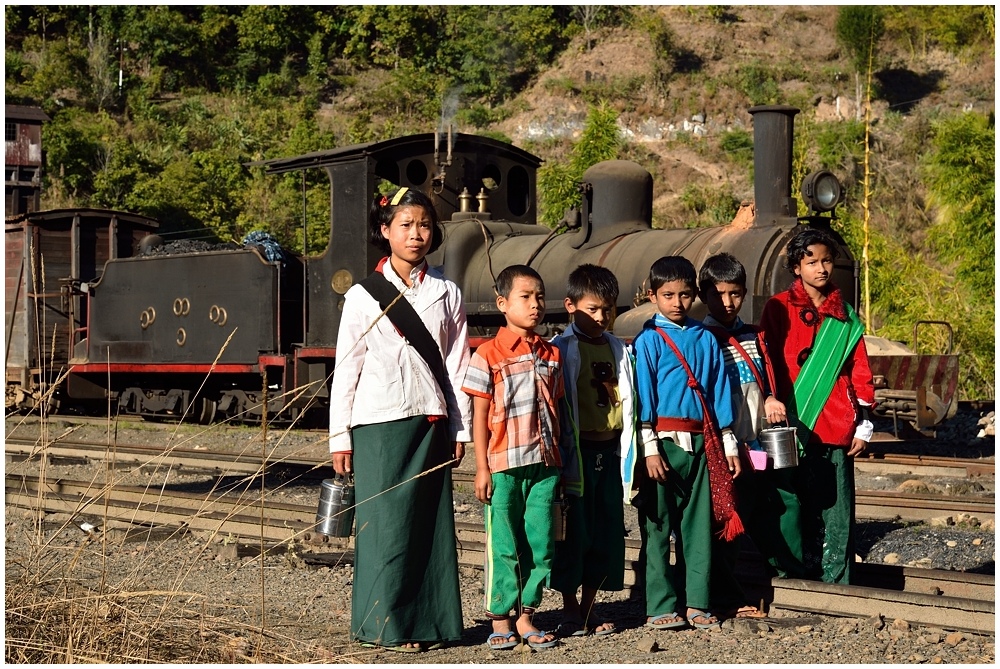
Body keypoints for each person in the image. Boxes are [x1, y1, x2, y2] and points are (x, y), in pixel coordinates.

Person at [328, 186, 471, 652]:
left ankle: (430, 623)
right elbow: (347, 366)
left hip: (430, 420)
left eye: (424, 225)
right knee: (384, 526)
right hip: (379, 424)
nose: (416, 234)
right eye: (406, 225)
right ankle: (384, 625)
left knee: (428, 526)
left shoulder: (446, 292)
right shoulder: (362, 296)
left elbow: (455, 364)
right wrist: (339, 437)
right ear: (385, 231)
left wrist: (460, 425)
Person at [632, 256, 743, 632]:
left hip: (702, 441)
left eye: (684, 294)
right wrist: (648, 445)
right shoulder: (648, 340)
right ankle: (660, 604)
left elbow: (718, 391)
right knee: (658, 525)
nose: (676, 302)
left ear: (694, 295)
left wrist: (728, 442)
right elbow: (643, 395)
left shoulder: (705, 338)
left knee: (698, 527)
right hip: (661, 445)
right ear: (652, 296)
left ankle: (698, 602)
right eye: (668, 295)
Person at [760, 227, 876, 585]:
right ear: (796, 266)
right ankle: (792, 574)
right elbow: (764, 358)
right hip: (791, 424)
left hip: (836, 425)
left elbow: (859, 367)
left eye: (827, 260)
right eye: (811, 262)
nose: (821, 268)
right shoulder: (778, 307)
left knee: (836, 507)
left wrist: (865, 422)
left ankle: (836, 580)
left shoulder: (846, 317)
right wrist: (767, 397)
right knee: (792, 501)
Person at [461, 264, 563, 651]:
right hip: (503, 465)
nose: (535, 305)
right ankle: (501, 616)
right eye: (526, 297)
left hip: (546, 464)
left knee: (541, 542)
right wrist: (481, 467)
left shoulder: (551, 353)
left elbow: (560, 412)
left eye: (539, 297)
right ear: (503, 304)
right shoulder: (487, 354)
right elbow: (480, 416)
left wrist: (562, 462)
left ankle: (527, 614)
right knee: (503, 543)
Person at [697, 253, 803, 621]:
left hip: (758, 444)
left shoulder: (753, 335)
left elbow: (766, 380)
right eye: (719, 294)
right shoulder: (703, 338)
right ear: (704, 294)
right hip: (728, 447)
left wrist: (773, 396)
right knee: (730, 518)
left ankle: (789, 577)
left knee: (773, 506)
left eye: (736, 294)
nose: (727, 302)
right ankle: (725, 595)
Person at [548, 264, 637, 638]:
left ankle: (590, 606)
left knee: (605, 531)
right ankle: (570, 607)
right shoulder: (561, 349)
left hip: (609, 451)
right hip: (577, 455)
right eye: (593, 309)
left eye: (608, 309)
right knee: (573, 532)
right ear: (571, 306)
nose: (601, 317)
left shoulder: (618, 348)